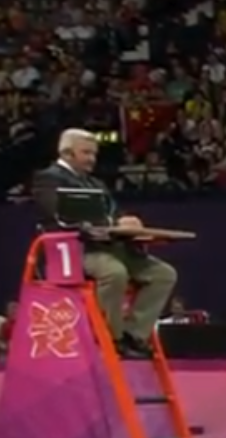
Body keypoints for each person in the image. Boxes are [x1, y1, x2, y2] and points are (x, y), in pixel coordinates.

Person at [31, 128, 177, 359]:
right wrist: (112, 222)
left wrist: (127, 221)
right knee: (114, 272)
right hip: (75, 250)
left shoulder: (95, 183)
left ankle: (134, 335)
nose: (92, 159)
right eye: (86, 153)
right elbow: (63, 214)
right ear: (67, 153)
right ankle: (111, 337)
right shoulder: (48, 178)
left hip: (109, 246)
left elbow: (113, 212)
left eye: (94, 154)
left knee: (163, 274)